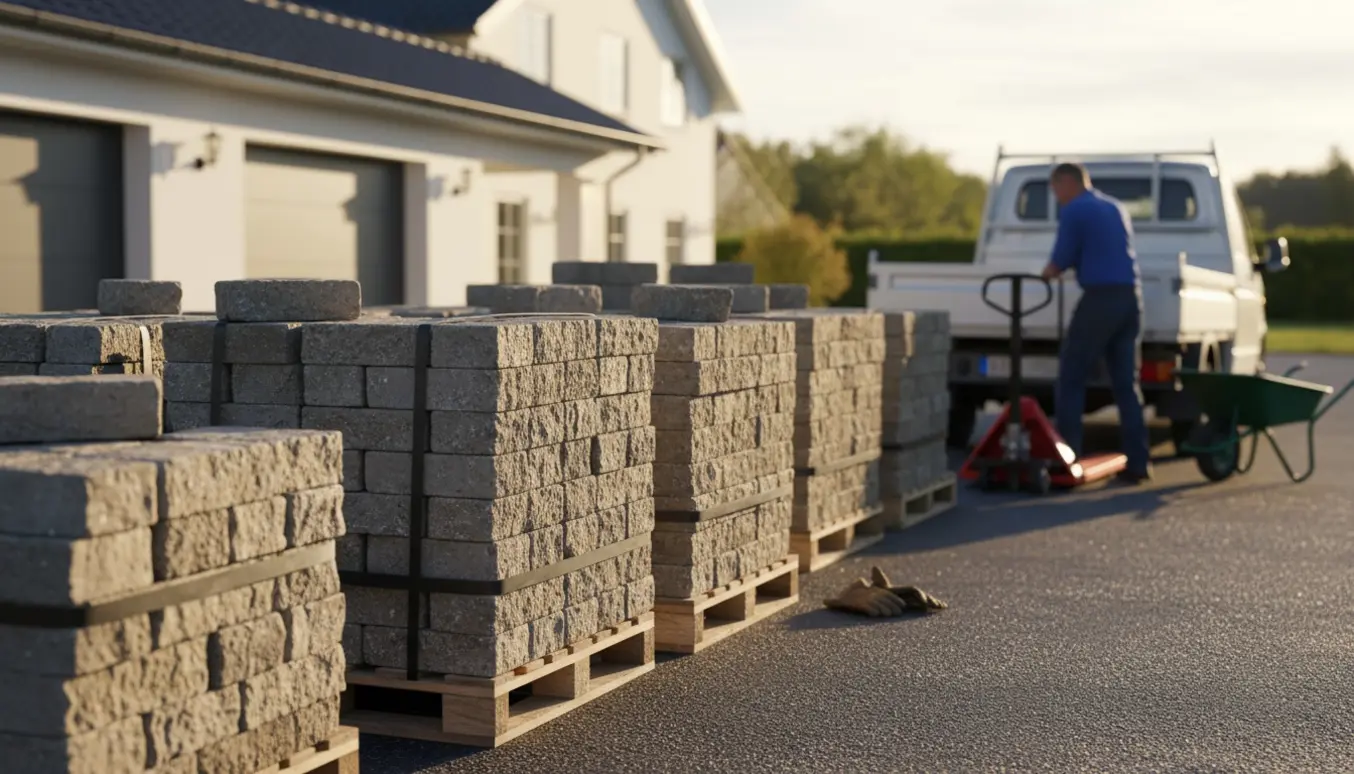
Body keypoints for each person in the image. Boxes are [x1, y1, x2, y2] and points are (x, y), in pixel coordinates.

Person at [1040, 162, 1152, 484]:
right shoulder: (1114, 207)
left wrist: (1044, 274)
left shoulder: (1075, 210)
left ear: (1067, 182)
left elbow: (1059, 261)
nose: (1056, 196)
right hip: (1130, 298)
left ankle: (1067, 458)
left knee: (1071, 376)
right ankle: (1138, 463)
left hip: (1100, 299)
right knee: (1125, 385)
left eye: (1055, 189)